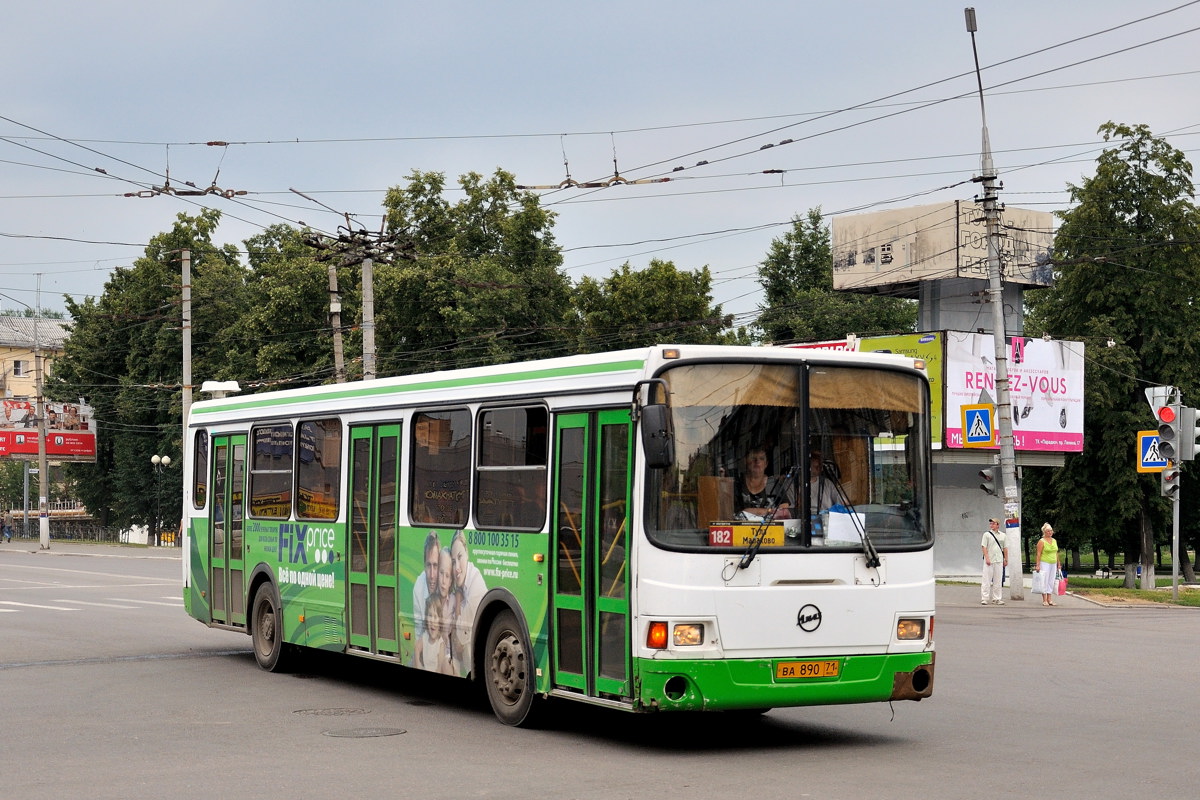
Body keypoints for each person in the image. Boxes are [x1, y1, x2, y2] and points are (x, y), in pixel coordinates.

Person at [735, 447, 791, 518]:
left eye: (761, 458)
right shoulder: (738, 485)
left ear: (766, 464)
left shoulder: (774, 484)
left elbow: (784, 508)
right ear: (745, 461)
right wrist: (770, 511)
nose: (757, 461)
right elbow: (734, 512)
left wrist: (750, 511)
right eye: (753, 458)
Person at [412, 531, 441, 641]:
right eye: (429, 565)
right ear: (424, 565)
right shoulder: (418, 588)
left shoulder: (446, 586)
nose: (432, 575)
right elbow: (419, 632)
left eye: (436, 565)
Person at [980, 518, 1007, 605]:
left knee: (998, 580)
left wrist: (1006, 559)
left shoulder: (1003, 535)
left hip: (999, 560)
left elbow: (1005, 548)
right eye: (990, 524)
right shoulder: (987, 534)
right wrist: (987, 558)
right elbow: (984, 547)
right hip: (989, 560)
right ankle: (985, 598)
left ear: (998, 525)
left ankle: (997, 598)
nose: (991, 525)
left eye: (993, 523)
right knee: (986, 580)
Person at [1034, 522, 1061, 606]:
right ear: (1044, 532)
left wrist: (1058, 563)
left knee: (1051, 580)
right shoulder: (1041, 541)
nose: (1050, 532)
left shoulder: (1054, 541)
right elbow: (1038, 553)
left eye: (1051, 531)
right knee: (1044, 580)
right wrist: (1037, 565)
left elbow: (1056, 552)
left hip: (1053, 562)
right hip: (1044, 562)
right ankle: (1044, 599)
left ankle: (1050, 599)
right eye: (1048, 531)